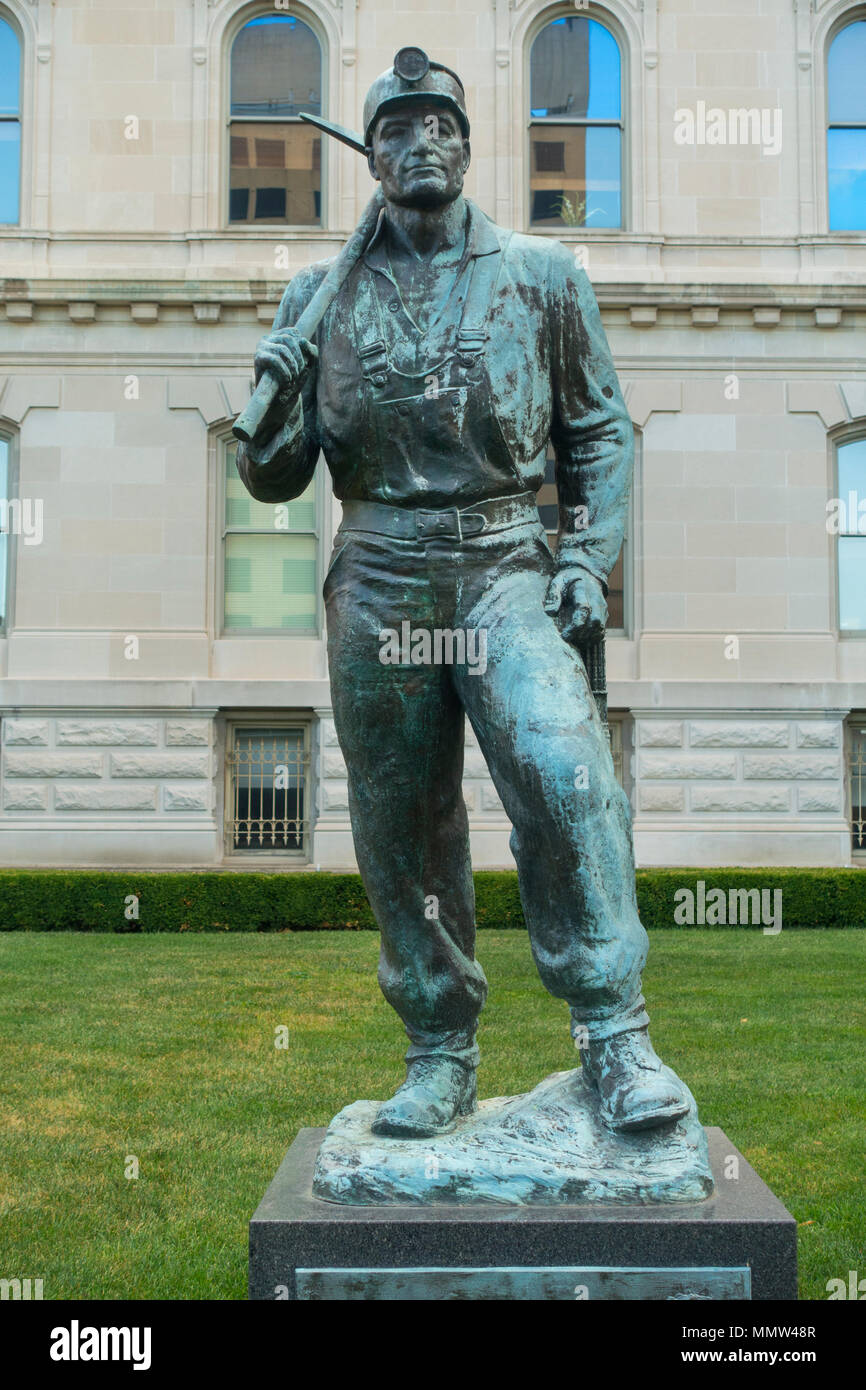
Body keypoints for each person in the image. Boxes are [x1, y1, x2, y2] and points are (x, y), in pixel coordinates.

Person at [236, 49, 691, 1140]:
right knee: (402, 821)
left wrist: (583, 557)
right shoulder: (319, 295)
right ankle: (437, 1048)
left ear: (466, 144)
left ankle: (613, 1036)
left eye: (438, 123)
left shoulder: (542, 276)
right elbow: (270, 477)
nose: (418, 143)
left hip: (502, 560)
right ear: (371, 154)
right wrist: (276, 391)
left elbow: (594, 434)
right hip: (381, 566)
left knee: (564, 771)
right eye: (396, 129)